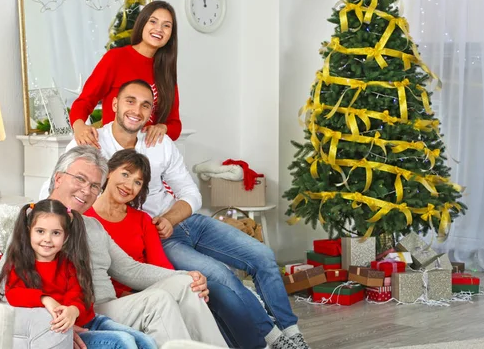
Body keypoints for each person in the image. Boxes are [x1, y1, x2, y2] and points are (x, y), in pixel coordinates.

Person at [65, 80, 310, 349]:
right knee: (221, 276)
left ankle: (292, 333)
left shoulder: (159, 141)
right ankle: (272, 340)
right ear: (114, 105)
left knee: (263, 256)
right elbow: (62, 187)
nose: (136, 110)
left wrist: (171, 218)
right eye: (130, 101)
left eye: (145, 105)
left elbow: (191, 194)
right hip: (157, 234)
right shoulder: (93, 142)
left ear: (151, 113)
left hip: (184, 221)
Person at [44, 146, 227, 348]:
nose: (87, 190)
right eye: (80, 179)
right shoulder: (38, 224)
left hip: (109, 306)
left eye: (95, 186)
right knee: (158, 301)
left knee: (186, 285)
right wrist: (54, 327)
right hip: (82, 312)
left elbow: (130, 269)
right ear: (59, 178)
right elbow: (15, 286)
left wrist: (186, 275)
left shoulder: (92, 226)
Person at [0, 199, 156, 349]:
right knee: (123, 341)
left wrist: (73, 310)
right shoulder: (19, 263)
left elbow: (79, 293)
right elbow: (14, 294)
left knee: (146, 341)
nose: (47, 239)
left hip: (90, 321)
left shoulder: (69, 262)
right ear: (29, 230)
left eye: (56, 233)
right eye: (40, 231)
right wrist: (45, 299)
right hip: (62, 331)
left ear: (66, 236)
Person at [70, 0, 182, 148]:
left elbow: (175, 125)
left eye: (166, 25)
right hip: (112, 151)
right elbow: (84, 101)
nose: (159, 29)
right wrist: (79, 127)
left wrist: (163, 128)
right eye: (153, 22)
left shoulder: (166, 71)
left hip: (148, 155)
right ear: (142, 24)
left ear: (170, 35)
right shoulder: (116, 58)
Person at [84, 149, 175, 298]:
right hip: (104, 298)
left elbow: (161, 266)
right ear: (109, 172)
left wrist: (186, 280)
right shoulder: (84, 217)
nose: (129, 186)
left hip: (147, 294)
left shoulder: (143, 220)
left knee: (199, 288)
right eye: (125, 174)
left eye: (137, 182)